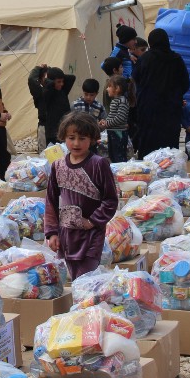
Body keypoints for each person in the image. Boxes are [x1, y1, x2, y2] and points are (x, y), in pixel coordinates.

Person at [44, 111, 119, 280]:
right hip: (67, 235)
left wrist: (92, 221)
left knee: (85, 279)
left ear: (92, 139)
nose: (76, 143)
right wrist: (52, 233)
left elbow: (110, 199)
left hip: (92, 234)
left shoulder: (99, 164)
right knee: (75, 277)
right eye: (71, 138)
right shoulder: (58, 166)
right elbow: (51, 200)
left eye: (82, 138)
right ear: (63, 137)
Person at [134, 28, 190, 157]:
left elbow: (136, 78)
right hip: (170, 109)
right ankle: (169, 172)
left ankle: (148, 171)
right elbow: (185, 83)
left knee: (149, 143)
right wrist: (175, 95)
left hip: (149, 109)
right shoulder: (176, 59)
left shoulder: (145, 59)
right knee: (169, 145)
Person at [34, 67, 76, 144]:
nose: (62, 84)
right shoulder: (46, 93)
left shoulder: (63, 91)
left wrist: (52, 71)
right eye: (59, 82)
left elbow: (72, 78)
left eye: (62, 81)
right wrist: (48, 80)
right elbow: (48, 86)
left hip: (65, 128)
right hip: (52, 132)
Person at [100, 75, 130, 163]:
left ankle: (121, 173)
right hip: (113, 132)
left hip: (118, 133)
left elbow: (120, 118)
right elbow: (113, 116)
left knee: (119, 156)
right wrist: (106, 121)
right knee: (112, 155)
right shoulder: (115, 100)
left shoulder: (122, 100)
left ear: (117, 88)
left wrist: (107, 124)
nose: (107, 89)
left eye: (109, 86)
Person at [27, 64, 49, 150]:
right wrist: (38, 68)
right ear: (40, 80)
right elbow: (31, 79)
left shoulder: (56, 91)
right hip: (44, 126)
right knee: (44, 155)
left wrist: (50, 69)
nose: (48, 80)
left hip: (56, 127)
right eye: (45, 78)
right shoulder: (39, 93)